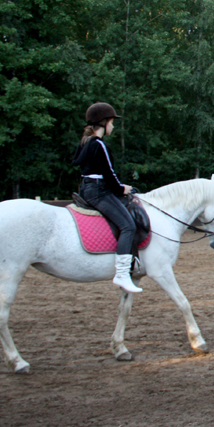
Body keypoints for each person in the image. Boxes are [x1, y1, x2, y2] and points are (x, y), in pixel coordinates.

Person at [72, 102, 142, 293]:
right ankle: (122, 273)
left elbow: (77, 162)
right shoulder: (99, 144)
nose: (113, 126)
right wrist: (122, 189)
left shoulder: (85, 142)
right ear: (103, 123)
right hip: (99, 191)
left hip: (87, 188)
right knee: (128, 226)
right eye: (112, 122)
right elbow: (109, 174)